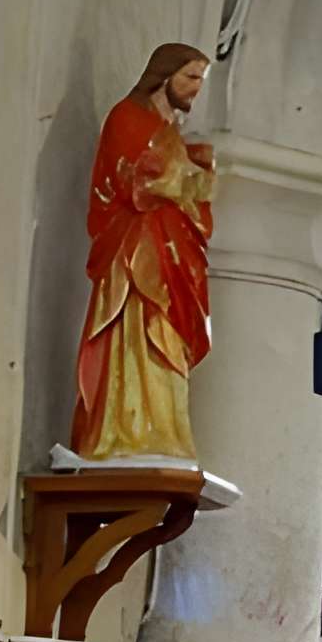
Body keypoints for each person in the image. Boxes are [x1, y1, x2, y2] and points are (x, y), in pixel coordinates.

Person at [70, 43, 214, 462]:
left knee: (169, 334)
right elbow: (133, 181)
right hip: (133, 252)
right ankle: (125, 431)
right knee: (136, 329)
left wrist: (195, 173)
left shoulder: (171, 133)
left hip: (172, 254)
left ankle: (164, 433)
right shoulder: (127, 117)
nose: (196, 88)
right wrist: (185, 171)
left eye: (200, 80)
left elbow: (190, 195)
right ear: (164, 76)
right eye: (190, 77)